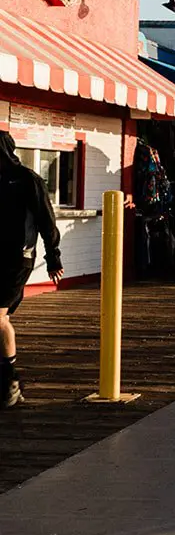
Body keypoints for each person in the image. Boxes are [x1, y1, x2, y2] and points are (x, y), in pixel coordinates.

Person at [0, 131, 63, 410]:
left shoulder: (27, 180)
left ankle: (11, 381)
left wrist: (53, 258)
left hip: (17, 259)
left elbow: (46, 221)